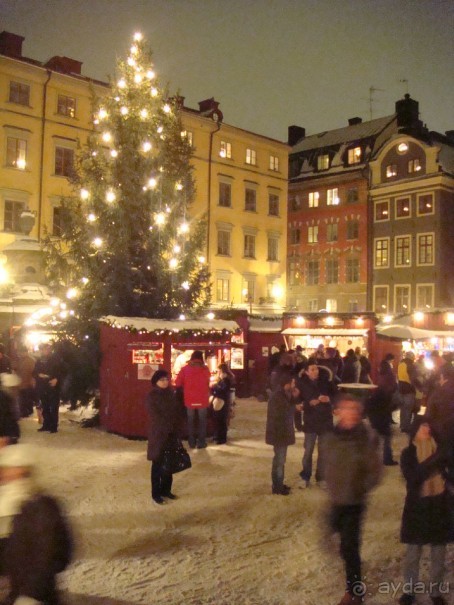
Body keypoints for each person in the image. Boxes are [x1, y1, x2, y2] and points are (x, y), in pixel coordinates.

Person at [324, 394, 382, 605]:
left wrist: (360, 488)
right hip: (335, 498)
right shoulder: (331, 434)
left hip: (354, 501)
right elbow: (326, 460)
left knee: (350, 547)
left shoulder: (365, 437)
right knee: (335, 536)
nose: (349, 413)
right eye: (345, 409)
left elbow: (375, 471)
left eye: (354, 409)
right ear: (338, 411)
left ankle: (355, 591)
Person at [0, 444, 73, 605]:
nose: (3, 473)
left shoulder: (39, 506)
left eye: (7, 468)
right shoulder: (9, 500)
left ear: (22, 470)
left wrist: (31, 594)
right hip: (16, 585)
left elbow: (50, 553)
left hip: (35, 593)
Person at [398, 416, 452, 605]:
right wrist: (436, 459)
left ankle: (435, 592)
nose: (427, 428)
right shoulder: (408, 453)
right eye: (422, 425)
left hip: (439, 504)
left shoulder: (442, 450)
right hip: (417, 506)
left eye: (429, 424)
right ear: (415, 429)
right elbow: (413, 478)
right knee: (413, 552)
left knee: (438, 551)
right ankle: (410, 590)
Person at [296, 361, 336, 488]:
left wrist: (329, 399)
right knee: (308, 451)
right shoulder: (301, 384)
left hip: (325, 420)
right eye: (312, 370)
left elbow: (336, 395)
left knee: (323, 452)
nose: (315, 371)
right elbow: (298, 403)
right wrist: (309, 403)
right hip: (310, 421)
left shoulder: (326, 381)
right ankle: (305, 476)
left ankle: (321, 478)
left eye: (316, 369)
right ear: (306, 372)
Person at [145, 370, 181, 505]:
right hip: (159, 434)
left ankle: (166, 490)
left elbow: (177, 411)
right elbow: (155, 416)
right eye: (162, 380)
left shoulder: (171, 394)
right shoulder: (152, 396)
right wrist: (167, 426)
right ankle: (156, 493)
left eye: (166, 379)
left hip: (171, 433)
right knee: (157, 464)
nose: (165, 382)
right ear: (156, 382)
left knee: (169, 463)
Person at [265, 374, 302, 495]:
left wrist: (294, 398)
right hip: (278, 433)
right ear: (287, 384)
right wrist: (295, 407)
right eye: (293, 383)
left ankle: (278, 483)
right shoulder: (277, 396)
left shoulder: (284, 394)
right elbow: (282, 412)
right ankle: (277, 487)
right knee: (279, 461)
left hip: (282, 432)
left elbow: (287, 406)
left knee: (280, 460)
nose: (294, 385)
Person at [366, 354, 398, 465]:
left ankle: (376, 458)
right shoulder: (387, 383)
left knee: (378, 438)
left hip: (378, 416)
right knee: (385, 438)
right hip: (382, 416)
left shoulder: (382, 381)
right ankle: (386, 459)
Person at [175, 350, 211, 449]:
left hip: (189, 400)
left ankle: (191, 442)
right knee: (202, 422)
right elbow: (208, 381)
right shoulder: (205, 369)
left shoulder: (185, 369)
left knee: (190, 421)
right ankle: (201, 442)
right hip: (203, 400)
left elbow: (177, 383)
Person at [33, 343, 65, 434]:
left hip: (53, 386)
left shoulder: (56, 359)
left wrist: (56, 379)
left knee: (53, 406)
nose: (44, 351)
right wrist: (38, 375)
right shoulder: (39, 360)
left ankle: (53, 426)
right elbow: (35, 372)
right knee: (45, 406)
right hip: (43, 386)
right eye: (42, 350)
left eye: (46, 349)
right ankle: (46, 424)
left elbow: (62, 371)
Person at [210, 363, 235, 444]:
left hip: (222, 402)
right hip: (223, 401)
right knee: (220, 420)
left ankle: (221, 438)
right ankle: (219, 437)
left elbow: (222, 390)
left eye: (219, 371)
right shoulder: (226, 380)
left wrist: (214, 387)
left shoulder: (226, 380)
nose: (219, 373)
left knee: (221, 421)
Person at [397, 351, 420, 433]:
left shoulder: (400, 364)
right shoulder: (411, 365)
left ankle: (402, 425)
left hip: (400, 389)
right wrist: (420, 387)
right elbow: (413, 379)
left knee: (403, 409)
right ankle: (406, 427)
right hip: (409, 390)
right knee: (408, 409)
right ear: (411, 357)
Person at [13, 344, 36, 418]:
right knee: (23, 398)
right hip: (21, 382)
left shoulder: (31, 360)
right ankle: (26, 411)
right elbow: (17, 369)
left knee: (26, 398)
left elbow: (33, 372)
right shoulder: (20, 360)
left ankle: (26, 411)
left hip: (27, 382)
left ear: (25, 352)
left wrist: (32, 381)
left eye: (21, 352)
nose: (20, 354)